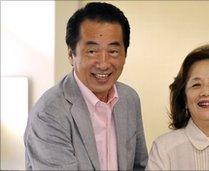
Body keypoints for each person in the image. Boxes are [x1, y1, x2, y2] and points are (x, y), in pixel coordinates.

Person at [24, 2, 148, 170]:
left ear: (125, 54)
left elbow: (139, 166)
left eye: (113, 51)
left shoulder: (129, 98)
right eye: (92, 51)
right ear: (71, 55)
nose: (103, 64)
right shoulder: (48, 114)